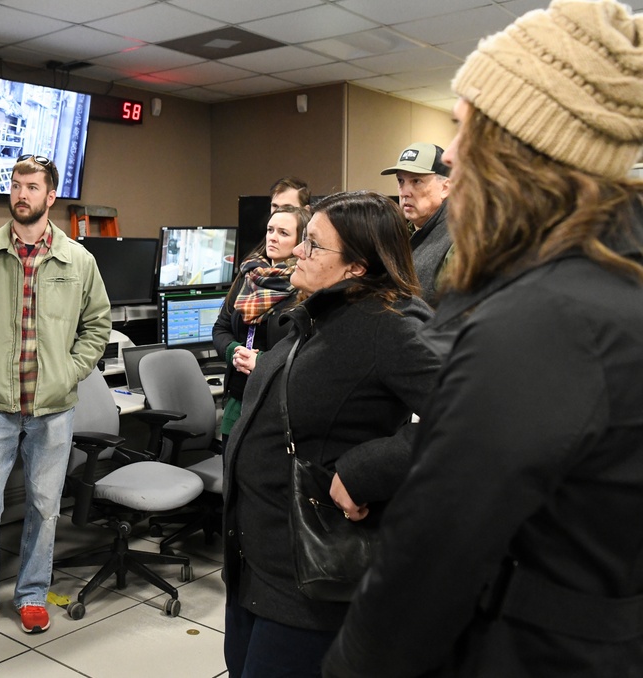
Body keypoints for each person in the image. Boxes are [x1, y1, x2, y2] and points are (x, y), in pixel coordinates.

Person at [323, 2, 643, 676]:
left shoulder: (543, 323)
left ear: (523, 149)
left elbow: (433, 552)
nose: (456, 155)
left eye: (468, 130)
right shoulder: (614, 286)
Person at [222, 191, 442, 677]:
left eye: (314, 245)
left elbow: (471, 420)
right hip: (256, 558)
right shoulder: (319, 313)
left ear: (358, 267)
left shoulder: (392, 326)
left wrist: (370, 469)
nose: (298, 250)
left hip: (308, 577)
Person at [0, 154, 111, 636]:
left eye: (32, 186)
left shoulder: (78, 259)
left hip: (53, 409)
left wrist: (72, 372)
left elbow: (98, 324)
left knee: (44, 507)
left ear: (50, 196)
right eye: (16, 185)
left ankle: (33, 593)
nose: (21, 194)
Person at [212, 204, 304, 447]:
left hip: (277, 403)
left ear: (302, 240)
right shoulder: (249, 275)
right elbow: (221, 328)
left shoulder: (305, 288)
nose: (273, 237)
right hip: (238, 395)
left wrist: (261, 362)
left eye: (283, 233)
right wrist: (234, 352)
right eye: (270, 230)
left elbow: (304, 351)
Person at [380, 142, 452, 303]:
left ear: (445, 188)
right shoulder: (400, 234)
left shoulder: (459, 240)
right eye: (401, 181)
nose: (404, 192)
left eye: (416, 181)